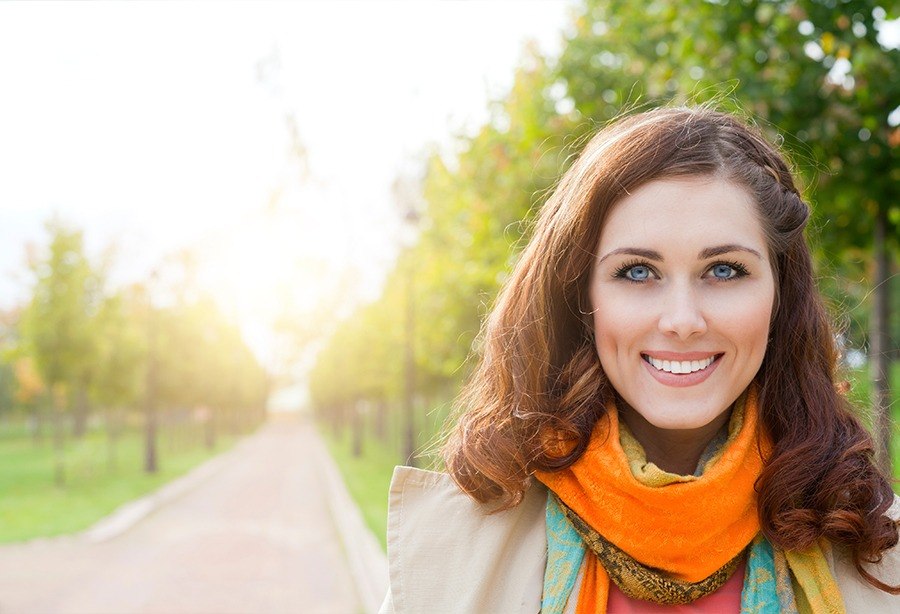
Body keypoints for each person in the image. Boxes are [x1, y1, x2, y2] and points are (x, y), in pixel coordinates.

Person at [378, 107, 900, 613]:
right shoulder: (448, 556)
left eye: (723, 270)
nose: (682, 320)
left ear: (780, 295)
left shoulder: (878, 551)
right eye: (636, 272)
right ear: (579, 299)